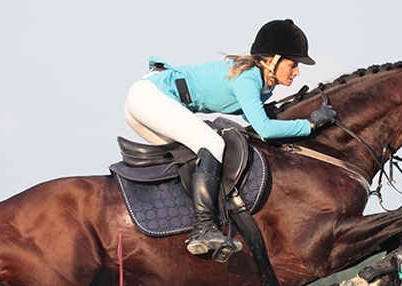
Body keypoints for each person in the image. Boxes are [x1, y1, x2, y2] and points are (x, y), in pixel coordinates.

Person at [123, 19, 337, 259]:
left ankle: (180, 223)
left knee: (194, 157)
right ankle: (203, 228)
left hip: (144, 100)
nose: (297, 72)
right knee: (213, 144)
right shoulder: (248, 78)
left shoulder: (263, 83)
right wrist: (309, 124)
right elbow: (264, 129)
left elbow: (255, 117)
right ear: (272, 60)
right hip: (150, 97)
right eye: (293, 64)